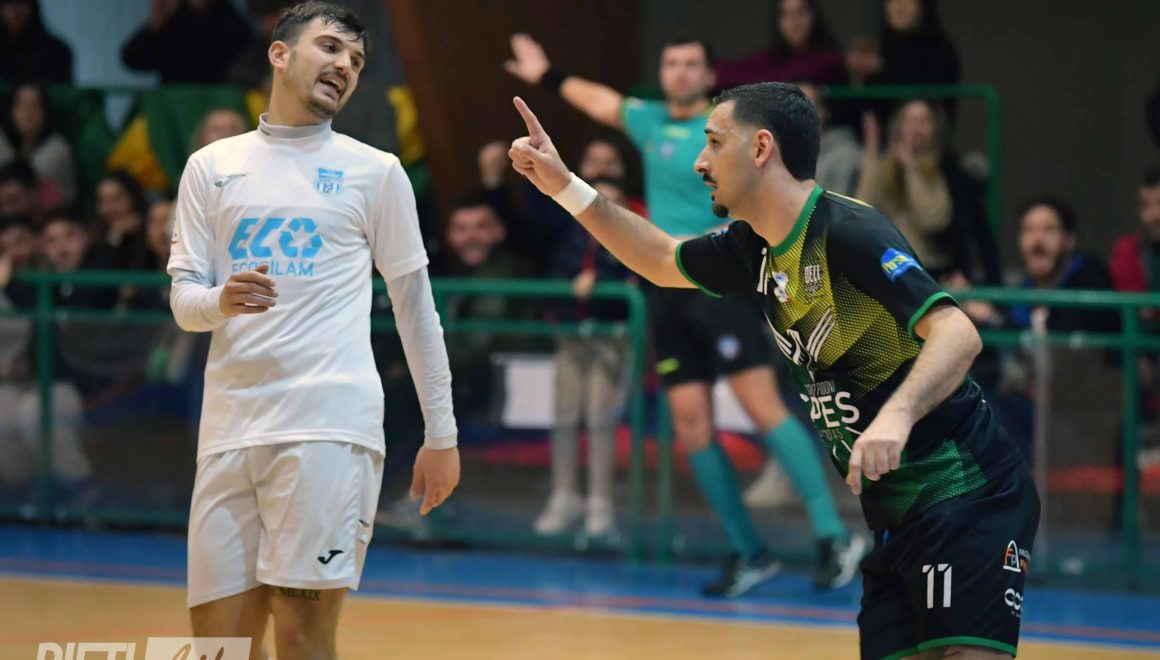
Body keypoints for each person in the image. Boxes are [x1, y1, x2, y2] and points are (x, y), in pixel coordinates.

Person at [507, 82, 1040, 659]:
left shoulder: (848, 231)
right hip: (896, 516)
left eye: (714, 142)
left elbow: (958, 331)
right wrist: (564, 186)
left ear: (761, 148)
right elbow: (660, 259)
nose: (700, 162)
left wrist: (897, 416)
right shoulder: (754, 247)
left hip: (968, 492)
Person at [506, 34, 862, 596]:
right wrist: (548, 74)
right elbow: (600, 101)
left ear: (708, 74)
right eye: (670, 62)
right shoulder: (648, 121)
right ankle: (749, 552)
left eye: (691, 63)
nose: (679, 72)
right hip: (664, 287)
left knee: (762, 407)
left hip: (722, 282)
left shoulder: (727, 127)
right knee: (692, 425)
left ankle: (834, 537)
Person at [165, 3, 459, 658]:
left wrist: (442, 434)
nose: (344, 65)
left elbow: (416, 309)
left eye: (356, 60)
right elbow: (185, 303)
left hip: (328, 430)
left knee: (302, 639)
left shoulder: (376, 172)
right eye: (330, 47)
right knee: (216, 647)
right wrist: (220, 301)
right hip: (229, 430)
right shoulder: (211, 166)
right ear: (279, 54)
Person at [535, 177, 635, 539]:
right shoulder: (571, 239)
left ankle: (599, 504)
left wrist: (601, 279)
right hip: (571, 339)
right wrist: (572, 287)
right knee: (564, 417)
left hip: (611, 342)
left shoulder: (632, 242)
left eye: (612, 202)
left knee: (599, 420)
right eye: (596, 199)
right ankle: (564, 496)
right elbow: (554, 278)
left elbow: (635, 282)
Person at [121, 0, 253, 84]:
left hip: (217, 109)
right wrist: (156, 25)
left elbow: (244, 72)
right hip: (173, 108)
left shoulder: (234, 24)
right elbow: (132, 59)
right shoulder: (171, 18)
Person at [0, 83, 77, 202]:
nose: (27, 113)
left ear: (46, 112)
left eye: (34, 106)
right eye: (21, 106)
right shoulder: (2, 142)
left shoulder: (58, 150)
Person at [0, 0, 72, 84]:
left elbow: (59, 85)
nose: (16, 12)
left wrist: (38, 87)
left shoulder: (56, 51)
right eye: (9, 5)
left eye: (22, 4)